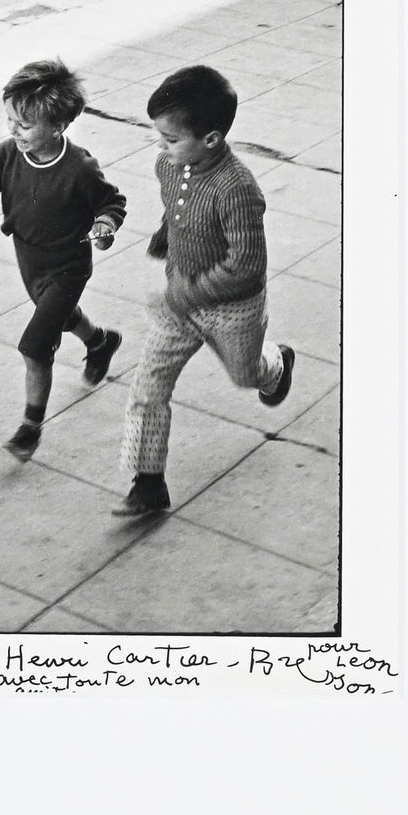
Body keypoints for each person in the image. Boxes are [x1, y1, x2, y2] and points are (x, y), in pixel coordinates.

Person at [115, 65, 296, 518]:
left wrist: (186, 293)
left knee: (244, 375)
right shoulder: (168, 165)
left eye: (172, 138)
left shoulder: (237, 189)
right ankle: (148, 482)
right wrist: (166, 239)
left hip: (232, 307)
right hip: (180, 300)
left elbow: (247, 265)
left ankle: (275, 364)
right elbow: (175, 210)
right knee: (149, 385)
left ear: (211, 139)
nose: (161, 146)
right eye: (159, 135)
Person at [0, 59, 125, 460]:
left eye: (25, 125)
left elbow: (111, 201)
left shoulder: (78, 167)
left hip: (68, 265)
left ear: (59, 126)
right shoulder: (5, 157)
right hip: (29, 262)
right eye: (10, 120)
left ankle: (30, 428)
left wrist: (105, 225)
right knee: (62, 318)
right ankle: (101, 342)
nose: (14, 131)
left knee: (35, 345)